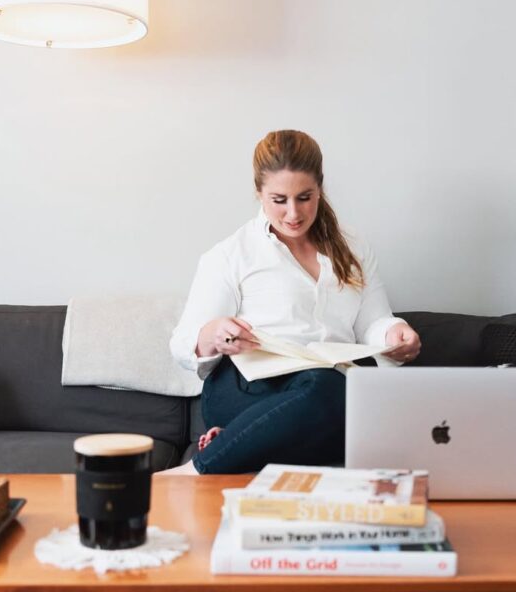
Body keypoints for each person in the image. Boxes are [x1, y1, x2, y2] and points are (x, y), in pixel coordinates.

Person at [166, 130, 421, 474]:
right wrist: (215, 333)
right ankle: (197, 469)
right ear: (259, 193)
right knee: (329, 392)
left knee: (354, 401)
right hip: (247, 386)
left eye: (305, 197)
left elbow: (373, 321)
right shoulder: (231, 255)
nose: (293, 214)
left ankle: (246, 442)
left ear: (320, 188)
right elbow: (182, 345)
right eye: (279, 199)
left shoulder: (353, 247)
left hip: (326, 388)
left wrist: (394, 334)